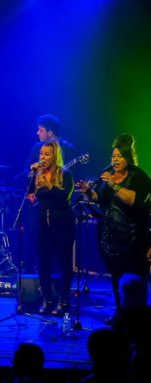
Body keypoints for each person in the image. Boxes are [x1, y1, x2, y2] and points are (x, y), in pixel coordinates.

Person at [76, 133, 151, 316]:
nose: (115, 160)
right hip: (110, 240)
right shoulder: (108, 175)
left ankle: (137, 318)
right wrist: (88, 192)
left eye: (120, 156)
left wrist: (114, 185)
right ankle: (120, 314)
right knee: (116, 278)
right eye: (113, 156)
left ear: (128, 158)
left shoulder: (139, 177)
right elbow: (99, 198)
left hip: (133, 240)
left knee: (134, 280)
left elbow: (133, 200)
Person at [27, 139, 76, 316]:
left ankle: (63, 300)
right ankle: (47, 299)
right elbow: (31, 192)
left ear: (55, 156)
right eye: (41, 154)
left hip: (62, 222)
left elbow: (65, 197)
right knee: (43, 262)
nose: (42, 157)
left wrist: (49, 185)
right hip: (42, 222)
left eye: (47, 154)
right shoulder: (38, 173)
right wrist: (32, 177)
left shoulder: (65, 174)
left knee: (64, 262)